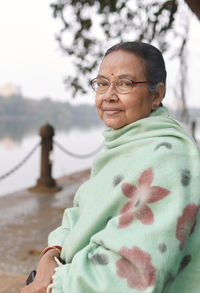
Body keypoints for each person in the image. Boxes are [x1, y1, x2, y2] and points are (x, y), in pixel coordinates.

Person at [21, 41, 200, 293]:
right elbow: (80, 214)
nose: (108, 95)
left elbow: (135, 272)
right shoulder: (124, 148)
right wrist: (50, 254)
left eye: (125, 83)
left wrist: (51, 285)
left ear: (156, 95)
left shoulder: (170, 159)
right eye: (103, 83)